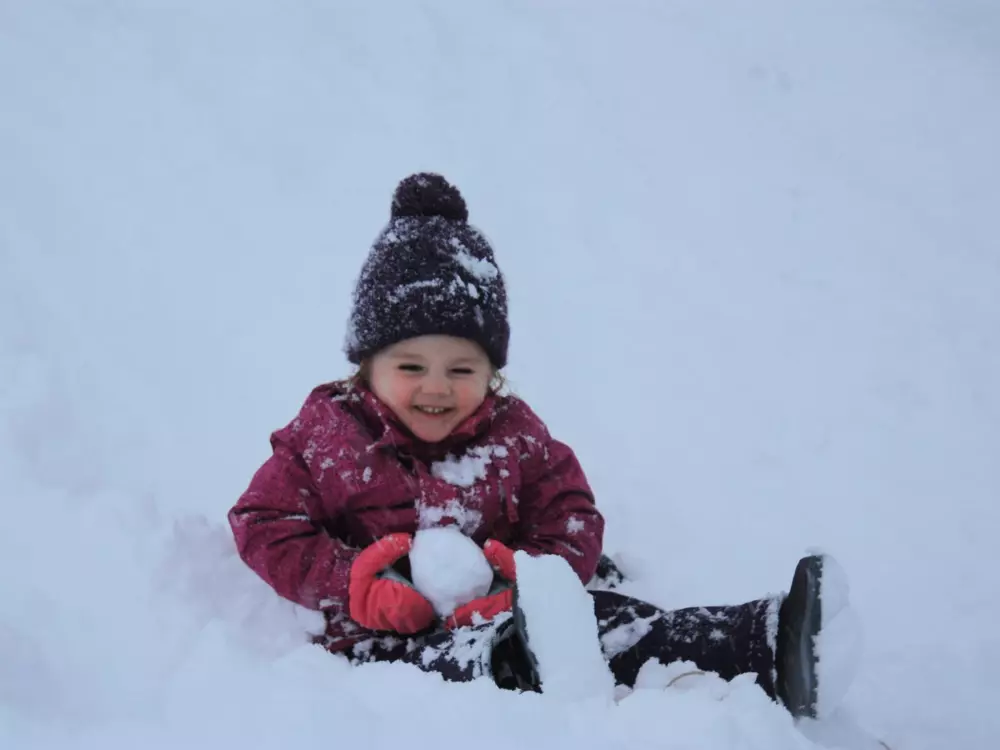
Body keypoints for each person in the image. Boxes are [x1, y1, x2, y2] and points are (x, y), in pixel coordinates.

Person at [228, 173, 856, 718]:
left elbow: (571, 517)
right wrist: (350, 582)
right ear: (366, 366)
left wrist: (525, 579)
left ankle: (765, 642)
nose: (436, 389)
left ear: (492, 372)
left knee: (612, 621)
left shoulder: (516, 436)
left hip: (510, 611)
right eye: (410, 367)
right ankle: (527, 663)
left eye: (462, 369)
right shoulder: (329, 436)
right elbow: (263, 521)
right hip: (388, 643)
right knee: (480, 662)